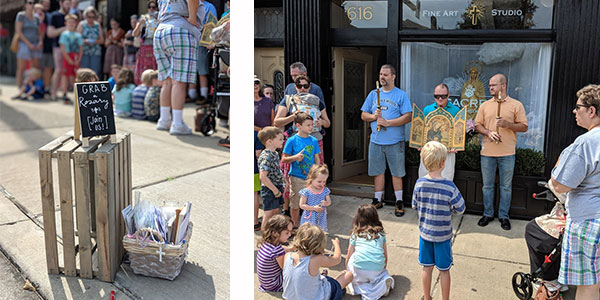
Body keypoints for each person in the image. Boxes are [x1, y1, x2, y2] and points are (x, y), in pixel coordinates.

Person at [550, 84, 600, 300]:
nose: (574, 110)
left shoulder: (586, 142)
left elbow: (560, 185)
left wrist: (558, 166)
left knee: (587, 286)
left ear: (592, 111)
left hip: (588, 221)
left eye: (578, 107)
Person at [412, 141, 466, 300]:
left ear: (424, 161)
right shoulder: (449, 186)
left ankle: (427, 297)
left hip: (425, 234)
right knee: (444, 270)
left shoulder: (419, 183)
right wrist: (452, 209)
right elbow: (461, 208)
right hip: (443, 236)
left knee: (426, 268)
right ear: (444, 163)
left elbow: (415, 205)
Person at [474, 73, 528, 230]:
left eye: (493, 85)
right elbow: (477, 125)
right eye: (490, 85)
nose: (490, 88)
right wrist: (488, 132)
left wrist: (508, 124)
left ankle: (504, 216)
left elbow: (524, 126)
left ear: (503, 86)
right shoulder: (485, 105)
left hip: (507, 153)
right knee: (487, 186)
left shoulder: (516, 105)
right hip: (487, 153)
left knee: (506, 187)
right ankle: (488, 214)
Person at [274, 75, 331, 219]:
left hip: (314, 140)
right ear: (295, 86)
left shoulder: (316, 101)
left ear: (310, 86)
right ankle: (288, 208)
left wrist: (320, 123)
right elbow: (277, 122)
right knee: (290, 176)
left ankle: (312, 207)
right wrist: (292, 117)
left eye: (306, 85)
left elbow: (327, 122)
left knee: (314, 173)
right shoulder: (289, 99)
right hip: (295, 140)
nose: (303, 88)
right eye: (299, 86)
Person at [360, 64, 412, 217]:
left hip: (395, 141)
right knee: (378, 172)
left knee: (397, 172)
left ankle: (399, 201)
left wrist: (388, 123)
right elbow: (364, 115)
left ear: (393, 76)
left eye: (386, 75)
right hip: (376, 141)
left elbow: (408, 117)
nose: (382, 77)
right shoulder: (373, 94)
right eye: (381, 74)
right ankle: (377, 199)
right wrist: (374, 117)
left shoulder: (401, 95)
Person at [154, 0, 205, 135]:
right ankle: (177, 123)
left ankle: (164, 120)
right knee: (179, 81)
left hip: (160, 31)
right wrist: (193, 18)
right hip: (180, 30)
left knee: (167, 80)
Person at [282, 223, 353, 300]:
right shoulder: (317, 259)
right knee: (348, 275)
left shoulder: (288, 256)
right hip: (316, 297)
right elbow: (337, 259)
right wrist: (337, 245)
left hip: (289, 297)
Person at [346, 204, 394, 299]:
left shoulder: (356, 234)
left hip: (360, 269)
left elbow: (348, 256)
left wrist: (348, 271)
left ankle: (365, 287)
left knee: (354, 257)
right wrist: (382, 268)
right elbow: (385, 256)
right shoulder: (381, 233)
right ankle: (381, 282)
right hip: (377, 269)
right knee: (378, 276)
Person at [282, 112, 321, 229]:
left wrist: (317, 174)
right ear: (298, 125)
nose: (311, 127)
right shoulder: (291, 140)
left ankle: (309, 227)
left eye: (312, 125)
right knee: (295, 204)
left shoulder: (314, 140)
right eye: (308, 125)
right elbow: (284, 159)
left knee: (311, 203)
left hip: (311, 178)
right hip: (296, 176)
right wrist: (295, 157)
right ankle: (294, 227)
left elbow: (317, 159)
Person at [419, 84, 461, 180]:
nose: (440, 99)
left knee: (446, 179)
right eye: (437, 96)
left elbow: (459, 130)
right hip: (429, 150)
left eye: (443, 96)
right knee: (425, 178)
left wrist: (457, 145)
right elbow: (422, 130)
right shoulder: (427, 109)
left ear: (448, 95)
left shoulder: (456, 110)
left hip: (448, 152)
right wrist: (419, 143)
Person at [187, 0, 217, 103]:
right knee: (190, 69)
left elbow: (212, 24)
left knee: (201, 69)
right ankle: (191, 94)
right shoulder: (188, 3)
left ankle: (204, 96)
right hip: (189, 40)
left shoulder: (209, 6)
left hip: (202, 41)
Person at [258, 126, 286, 231]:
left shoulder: (274, 153)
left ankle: (273, 236)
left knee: (275, 213)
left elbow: (276, 170)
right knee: (268, 213)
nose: (282, 141)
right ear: (270, 141)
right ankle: (265, 240)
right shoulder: (266, 156)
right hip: (269, 189)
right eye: (280, 139)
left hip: (276, 187)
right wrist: (275, 191)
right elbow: (263, 177)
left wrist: (284, 182)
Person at [256, 214, 294, 292]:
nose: (290, 235)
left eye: (290, 232)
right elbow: (285, 269)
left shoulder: (267, 243)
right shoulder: (277, 250)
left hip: (266, 282)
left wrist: (291, 249)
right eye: (287, 233)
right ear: (274, 233)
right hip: (274, 284)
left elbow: (283, 249)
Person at [15, 0, 43, 89]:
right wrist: (28, 44)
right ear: (25, 5)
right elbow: (18, 32)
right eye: (30, 3)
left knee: (35, 69)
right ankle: (20, 89)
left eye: (33, 3)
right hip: (24, 44)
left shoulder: (36, 18)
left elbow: (39, 32)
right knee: (21, 68)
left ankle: (34, 90)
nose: (32, 5)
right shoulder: (21, 15)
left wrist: (40, 41)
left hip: (35, 44)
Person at [47, 0, 71, 100]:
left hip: (70, 48)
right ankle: (53, 93)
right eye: (67, 3)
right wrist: (64, 29)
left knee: (67, 71)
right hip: (57, 47)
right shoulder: (54, 16)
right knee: (58, 70)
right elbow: (50, 33)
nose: (69, 6)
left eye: (70, 3)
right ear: (61, 3)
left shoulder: (72, 16)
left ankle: (64, 93)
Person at [132, 0, 159, 85]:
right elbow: (135, 34)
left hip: (156, 47)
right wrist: (140, 24)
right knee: (143, 69)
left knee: (154, 69)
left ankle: (154, 85)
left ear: (157, 8)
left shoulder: (160, 18)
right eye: (149, 7)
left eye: (153, 7)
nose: (151, 9)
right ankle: (142, 85)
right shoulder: (143, 18)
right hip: (144, 47)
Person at [299, 164, 331, 232]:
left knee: (320, 232)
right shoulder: (306, 191)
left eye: (324, 181)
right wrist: (314, 208)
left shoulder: (325, 190)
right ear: (311, 178)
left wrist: (326, 203)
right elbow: (302, 205)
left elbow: (329, 202)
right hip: (310, 217)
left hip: (321, 216)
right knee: (309, 232)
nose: (322, 184)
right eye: (319, 181)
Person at [58, 14, 83, 104]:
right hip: (67, 56)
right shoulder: (64, 34)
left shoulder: (78, 35)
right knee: (65, 75)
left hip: (76, 56)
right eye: (69, 22)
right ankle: (64, 93)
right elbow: (63, 47)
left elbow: (81, 48)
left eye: (73, 22)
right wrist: (68, 59)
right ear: (66, 23)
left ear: (76, 23)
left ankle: (76, 94)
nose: (71, 24)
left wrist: (79, 59)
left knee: (75, 76)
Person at [77, 6, 103, 78]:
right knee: (84, 72)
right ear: (85, 16)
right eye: (89, 17)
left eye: (93, 17)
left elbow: (102, 40)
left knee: (95, 71)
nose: (90, 19)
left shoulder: (97, 25)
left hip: (95, 52)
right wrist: (85, 41)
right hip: (84, 51)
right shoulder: (81, 24)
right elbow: (77, 39)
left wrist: (94, 41)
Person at [40, 0, 54, 92]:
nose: (46, 5)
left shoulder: (50, 16)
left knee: (48, 68)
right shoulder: (34, 16)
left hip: (48, 46)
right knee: (37, 68)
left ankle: (46, 87)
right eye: (45, 3)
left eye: (48, 3)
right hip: (36, 47)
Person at [254, 130, 266, 231]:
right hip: (253, 169)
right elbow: (258, 153)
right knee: (254, 195)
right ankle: (254, 222)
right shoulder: (256, 135)